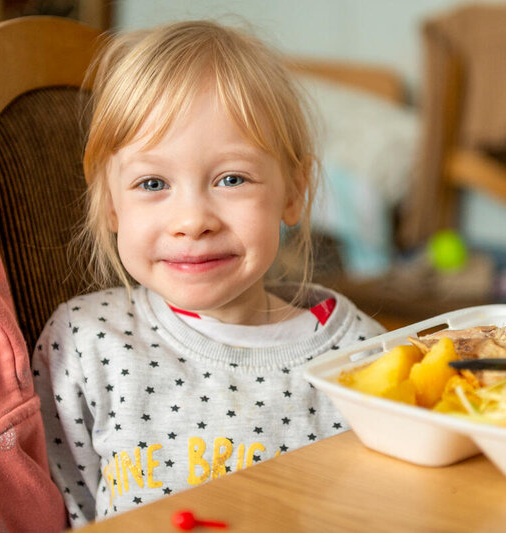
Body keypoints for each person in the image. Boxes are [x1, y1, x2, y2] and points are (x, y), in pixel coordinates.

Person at [31, 20, 386, 526]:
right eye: (153, 182)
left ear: (292, 194)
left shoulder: (361, 362)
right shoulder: (84, 343)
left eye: (231, 178)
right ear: (111, 203)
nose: (193, 221)